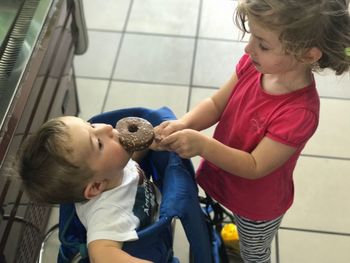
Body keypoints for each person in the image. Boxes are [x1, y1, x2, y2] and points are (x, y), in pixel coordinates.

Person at [154, 0, 350, 262]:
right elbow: (216, 104)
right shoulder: (252, 63)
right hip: (224, 177)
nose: (248, 48)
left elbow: (255, 165)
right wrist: (184, 123)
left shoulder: (299, 113)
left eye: (263, 44)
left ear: (308, 55)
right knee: (221, 219)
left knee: (253, 254)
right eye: (251, 37)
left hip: (258, 204)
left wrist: (201, 145)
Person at [18, 116, 159, 263]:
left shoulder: (111, 168)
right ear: (96, 186)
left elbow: (131, 165)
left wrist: (148, 143)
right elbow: (101, 255)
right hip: (150, 246)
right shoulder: (107, 213)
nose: (107, 128)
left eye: (91, 126)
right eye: (98, 143)